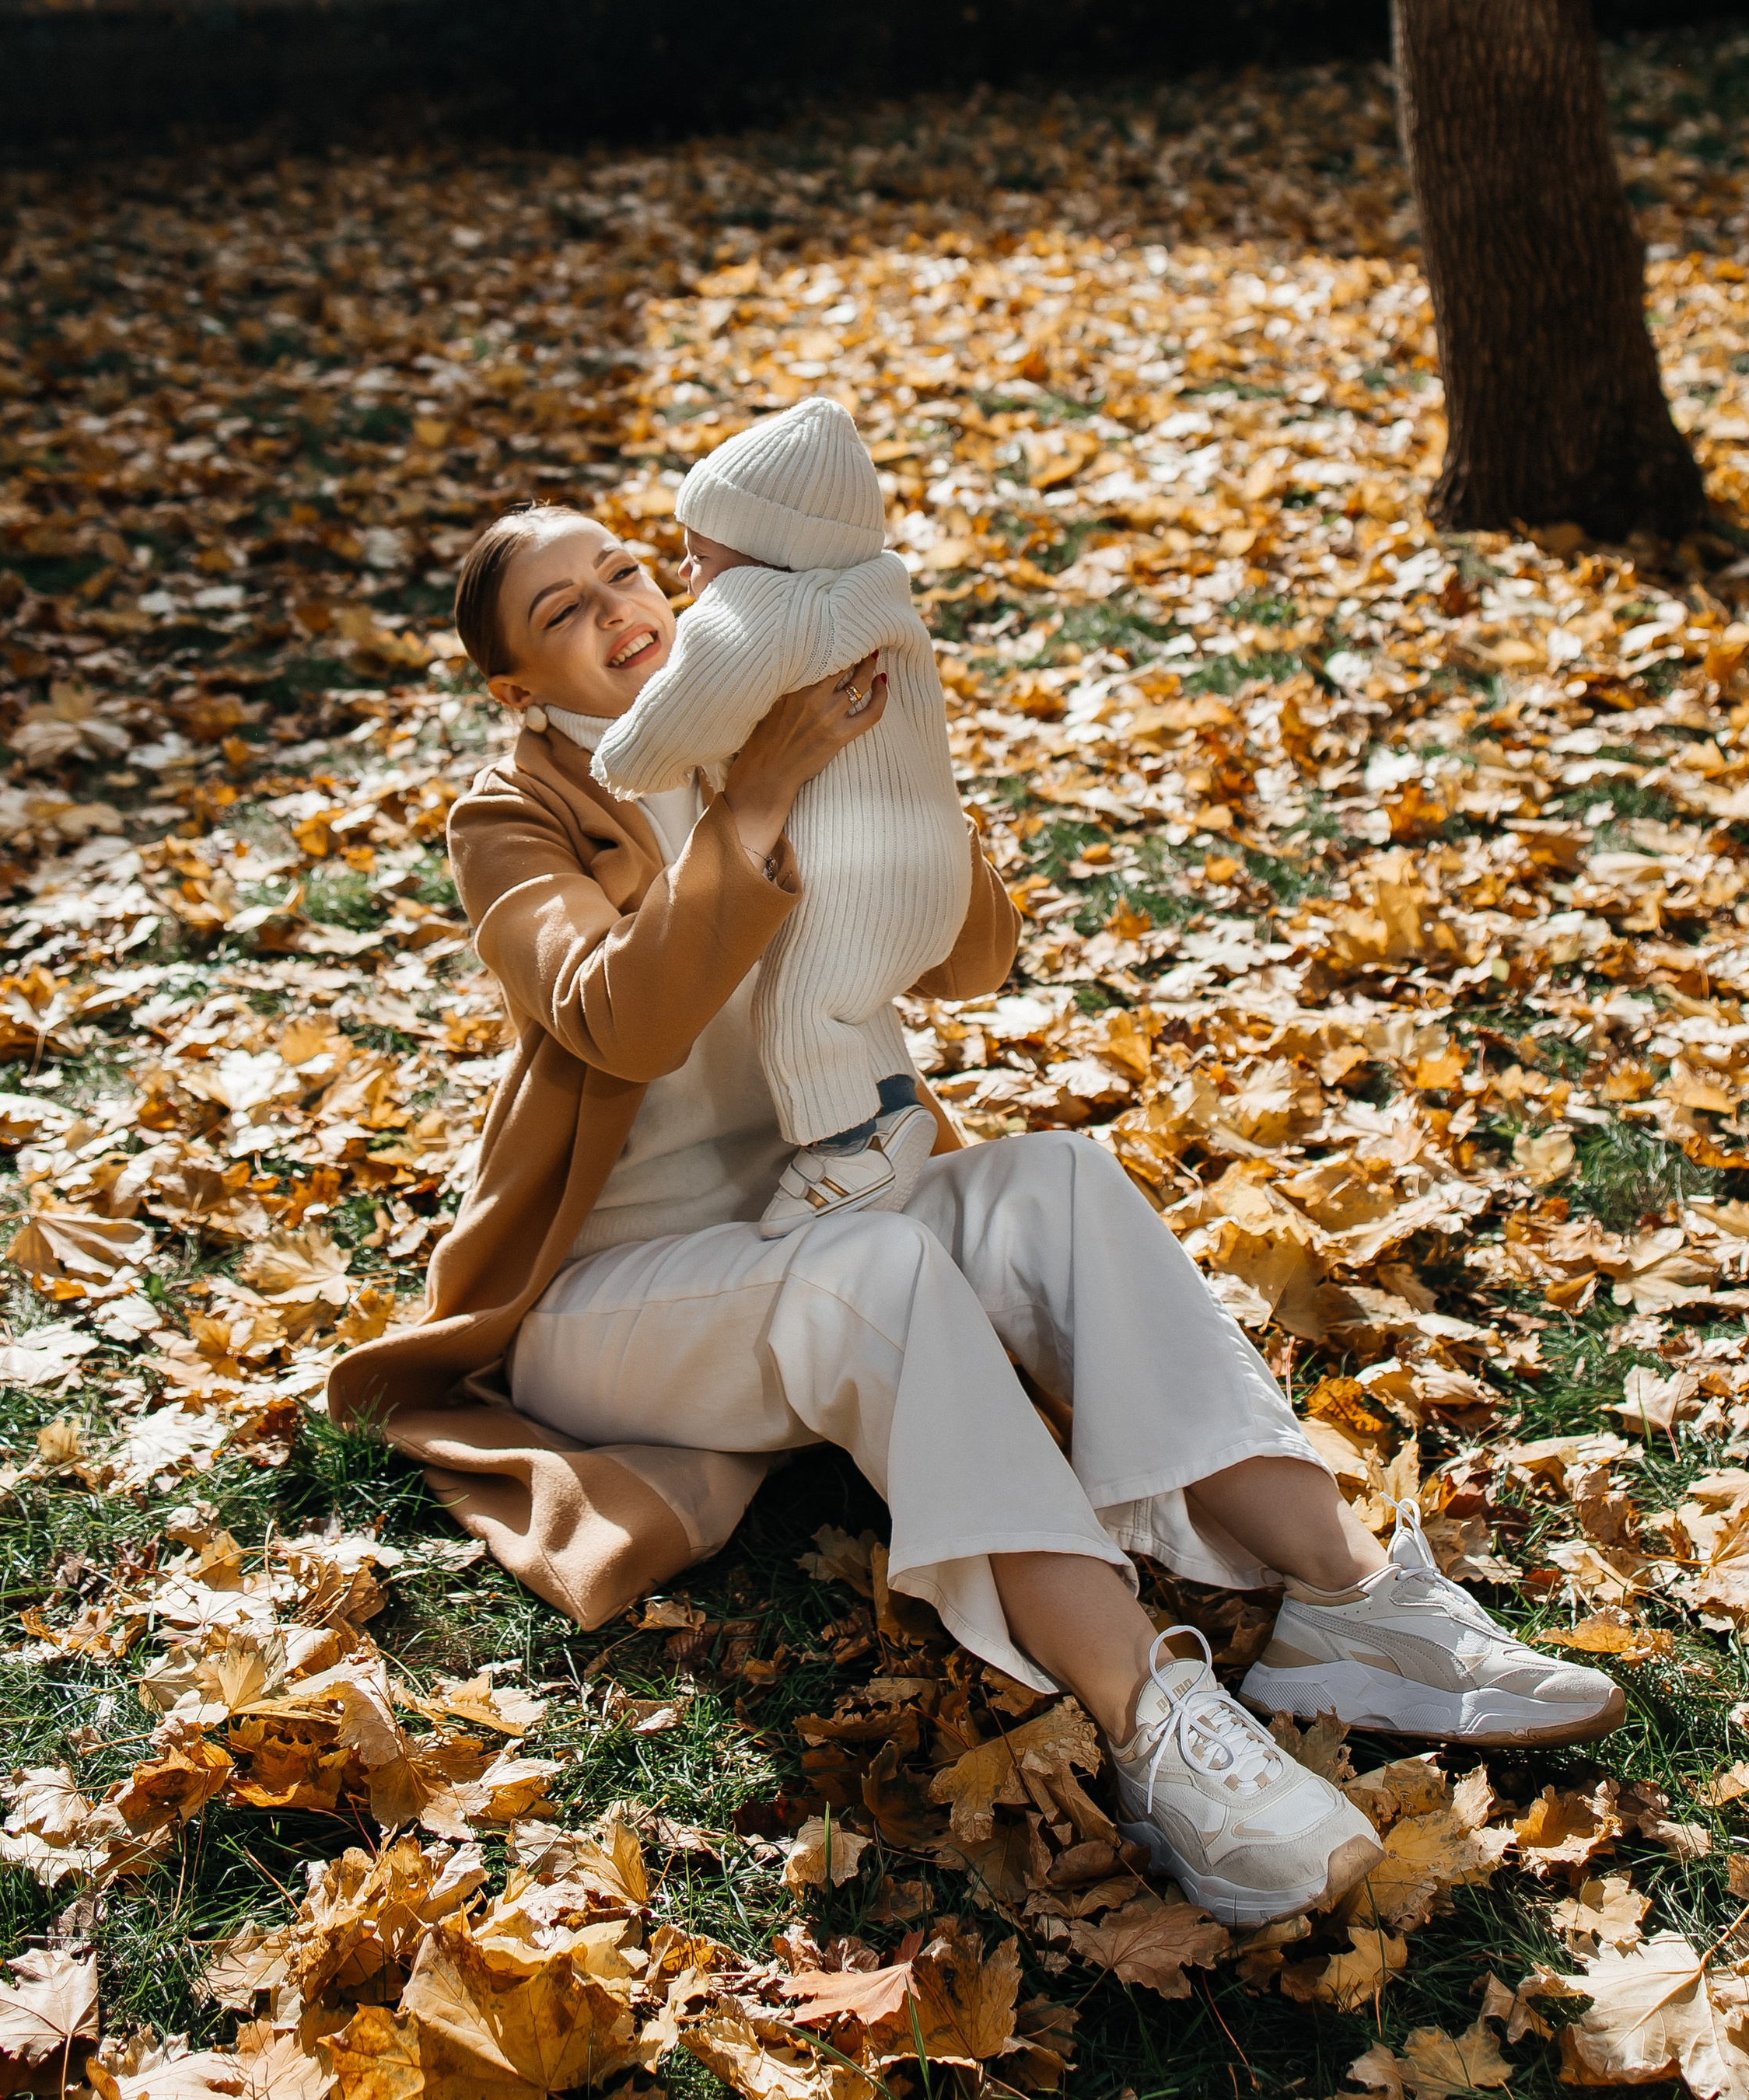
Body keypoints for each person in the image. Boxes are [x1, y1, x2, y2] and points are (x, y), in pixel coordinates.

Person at [327, 503, 1625, 1934]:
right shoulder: (514, 819)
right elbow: (614, 1022)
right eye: (560, 611)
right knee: (871, 1267)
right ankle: (1155, 1721)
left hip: (818, 1206)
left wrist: (890, 769)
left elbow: (971, 963)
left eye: (621, 570)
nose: (614, 604)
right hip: (618, 1296)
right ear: (516, 687)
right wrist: (751, 803)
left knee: (1058, 1177)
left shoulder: (767, 709)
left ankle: (1347, 1600)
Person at [589, 396, 973, 1239]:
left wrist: (626, 760)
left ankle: (844, 1151)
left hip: (861, 868)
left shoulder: (762, 606)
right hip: (932, 864)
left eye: (695, 558)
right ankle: (890, 1109)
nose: (687, 579)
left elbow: (695, 704)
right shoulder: (877, 592)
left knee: (800, 1002)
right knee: (846, 1001)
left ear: (767, 553)